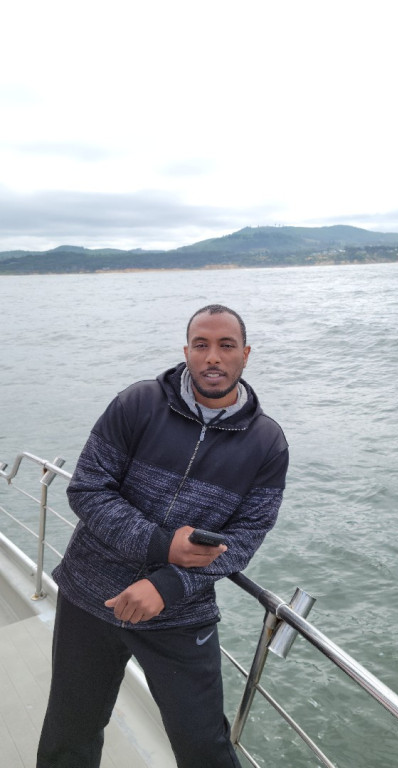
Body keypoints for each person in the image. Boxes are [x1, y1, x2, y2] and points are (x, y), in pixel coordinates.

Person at [37, 304, 289, 768]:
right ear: (186, 351)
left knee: (204, 747)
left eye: (226, 345)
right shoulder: (138, 404)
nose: (213, 357)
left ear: (246, 354)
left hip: (180, 612)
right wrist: (160, 544)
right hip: (89, 595)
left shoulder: (267, 443)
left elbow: (247, 535)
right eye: (201, 344)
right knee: (70, 731)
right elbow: (87, 488)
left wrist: (168, 584)